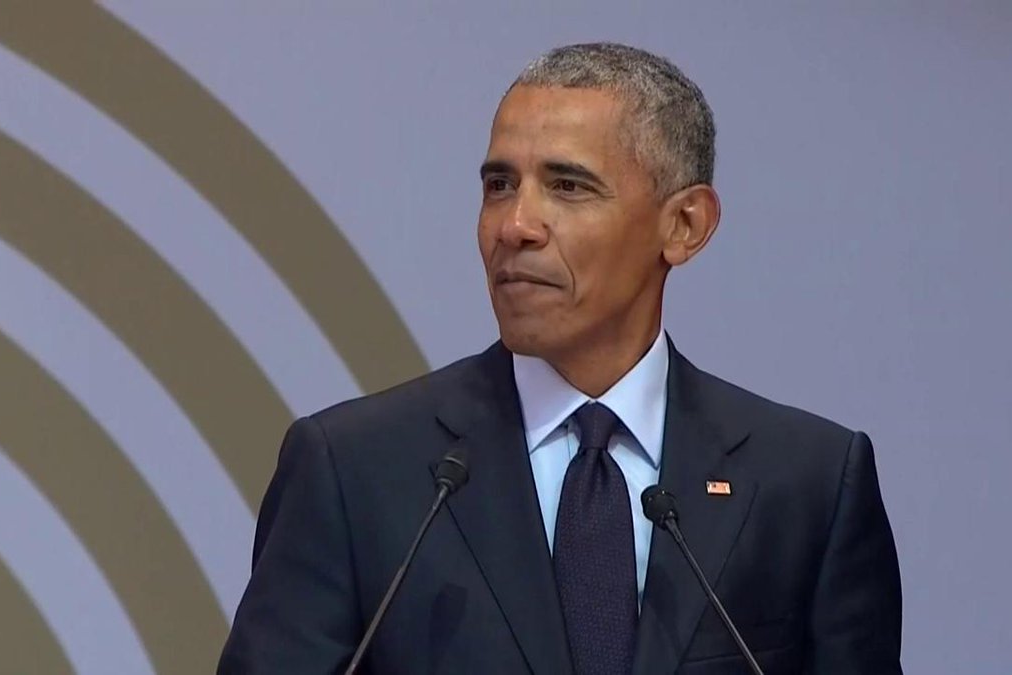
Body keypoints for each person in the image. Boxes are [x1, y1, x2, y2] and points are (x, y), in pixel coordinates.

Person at [219, 42, 902, 674]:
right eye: (499, 185)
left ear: (684, 225)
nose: (515, 226)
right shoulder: (354, 470)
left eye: (568, 186)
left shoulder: (806, 483)